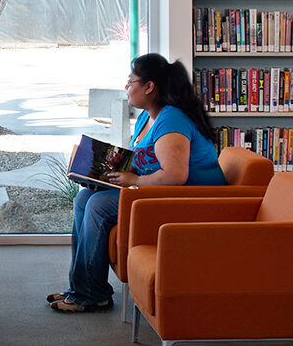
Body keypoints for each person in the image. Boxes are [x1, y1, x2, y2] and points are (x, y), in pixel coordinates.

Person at [48, 53, 225, 313]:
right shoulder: (146, 116)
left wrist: (136, 180)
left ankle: (90, 295)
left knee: (97, 205)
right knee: (84, 198)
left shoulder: (171, 120)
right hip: (159, 191)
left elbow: (176, 176)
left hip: (187, 198)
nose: (126, 87)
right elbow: (141, 161)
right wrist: (100, 175)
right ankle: (84, 287)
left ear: (149, 87)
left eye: (130, 81)